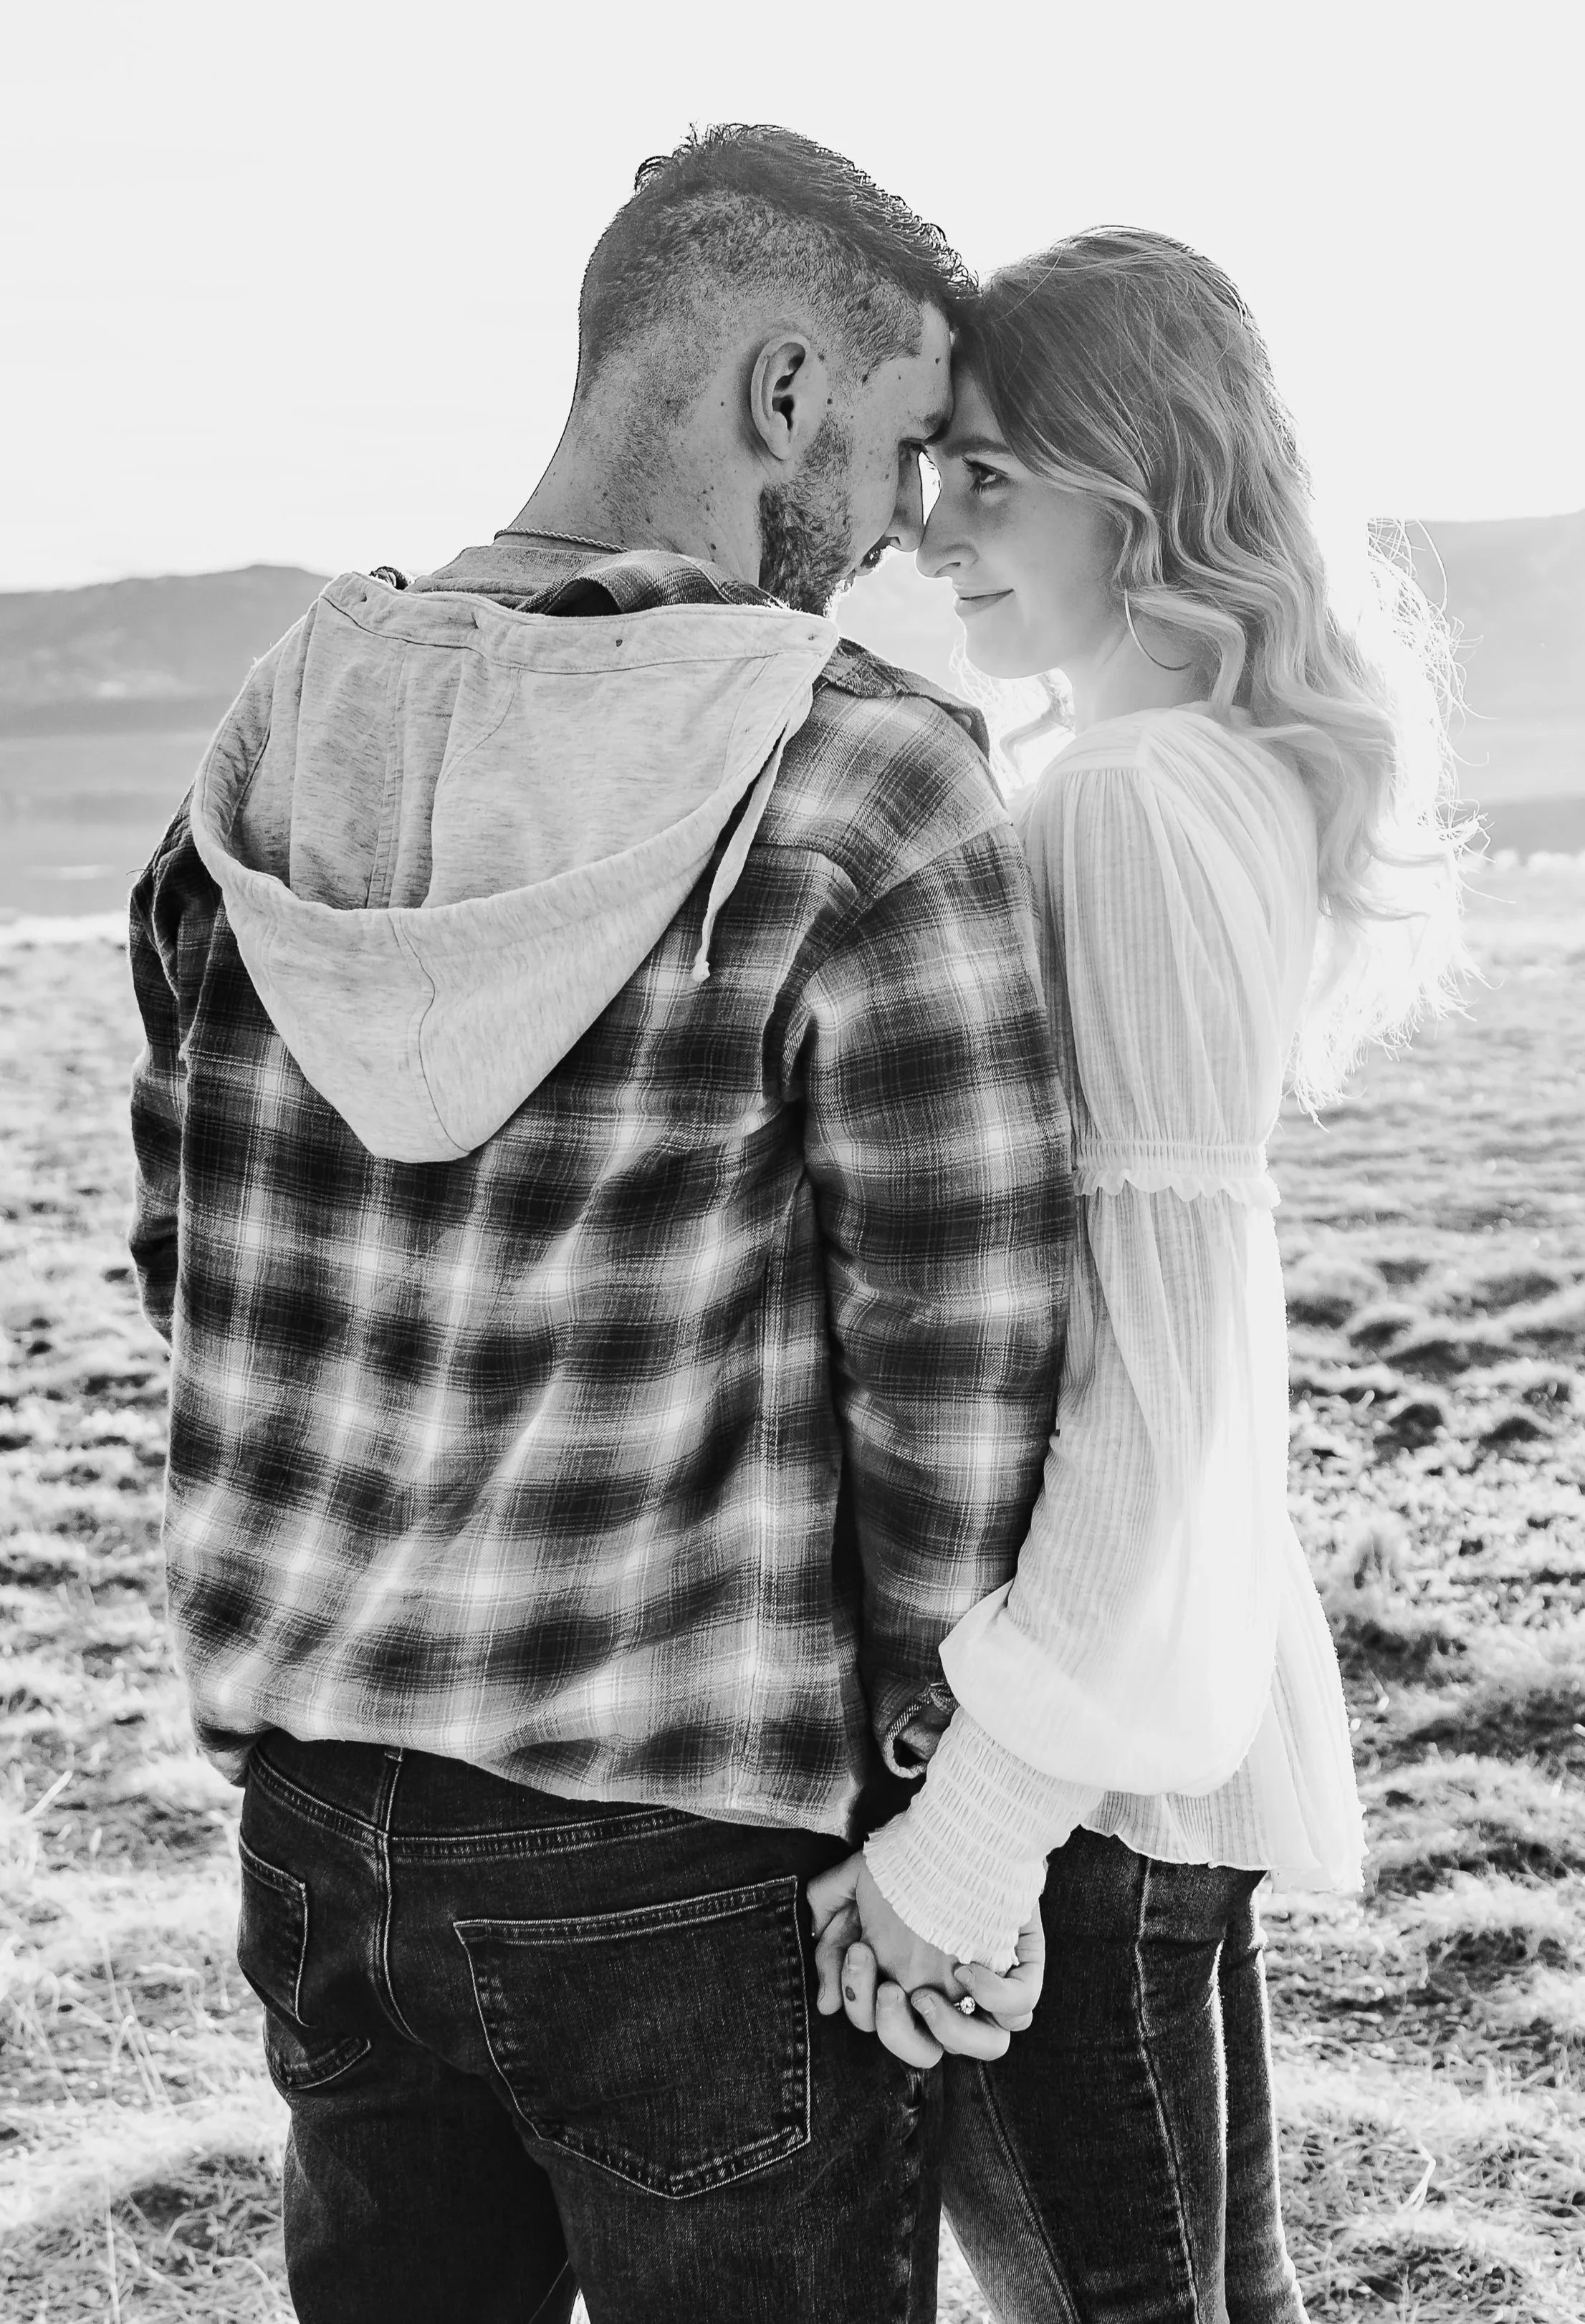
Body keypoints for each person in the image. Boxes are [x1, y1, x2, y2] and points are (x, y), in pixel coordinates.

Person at [126, 127, 1071, 2324]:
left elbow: (190, 1284)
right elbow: (961, 1383)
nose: (904, 526)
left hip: (320, 1822)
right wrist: (937, 1830)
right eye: (905, 440)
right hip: (685, 1861)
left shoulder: (266, 742)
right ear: (780, 392)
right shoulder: (862, 777)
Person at [811, 228, 1462, 2320]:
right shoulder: (1194, 778)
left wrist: (973, 1826)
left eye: (990, 473)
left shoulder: (1123, 800)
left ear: (1145, 484)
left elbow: (1159, 1371)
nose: (935, 522)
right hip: (1144, 1728)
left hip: (1078, 1774)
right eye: (938, 468)